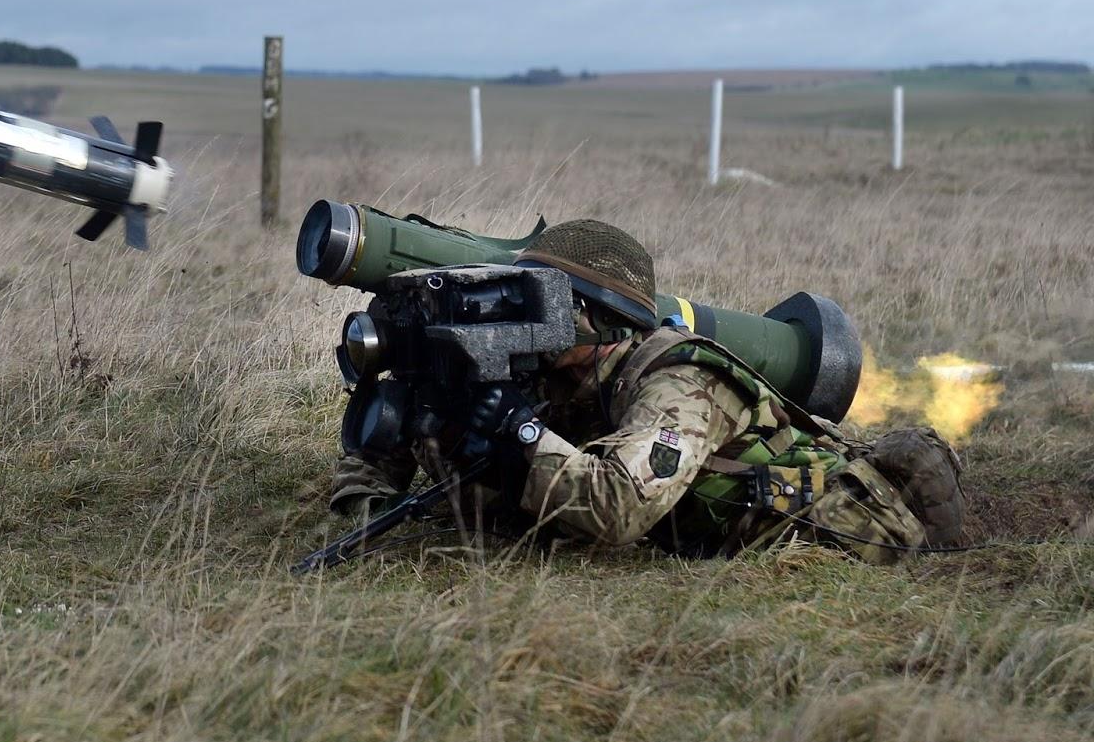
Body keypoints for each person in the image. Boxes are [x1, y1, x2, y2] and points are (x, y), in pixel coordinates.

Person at [329, 219, 966, 562]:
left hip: (851, 534)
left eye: (548, 305)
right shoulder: (559, 376)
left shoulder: (681, 382)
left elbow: (617, 510)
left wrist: (518, 433)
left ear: (604, 320)